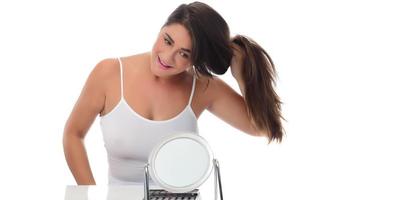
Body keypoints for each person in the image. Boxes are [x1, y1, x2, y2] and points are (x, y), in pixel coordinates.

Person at [63, 1, 284, 185]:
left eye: (184, 54)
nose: (167, 57)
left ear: (197, 59)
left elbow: (262, 127)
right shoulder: (109, 73)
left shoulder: (203, 88)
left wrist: (241, 73)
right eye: (167, 40)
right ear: (162, 28)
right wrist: (90, 194)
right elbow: (73, 134)